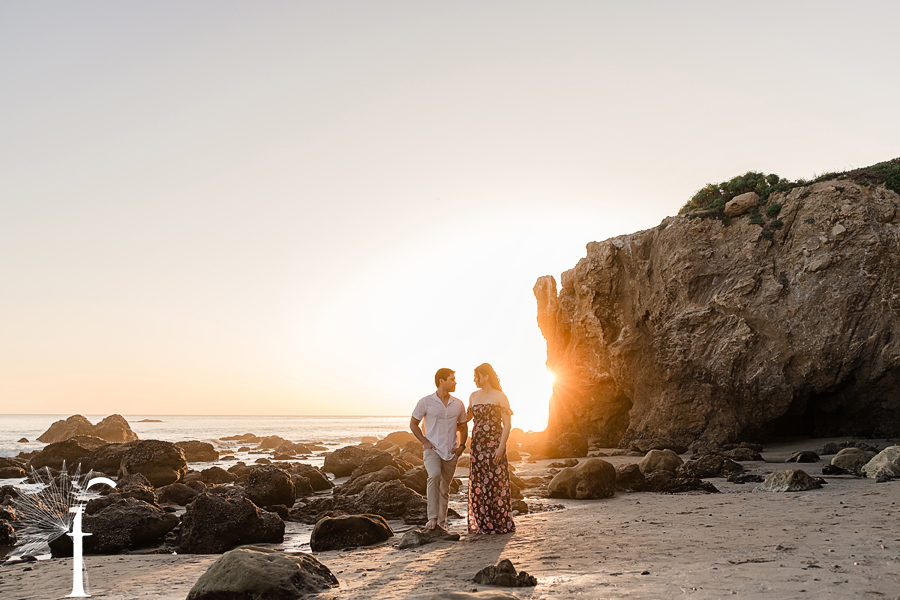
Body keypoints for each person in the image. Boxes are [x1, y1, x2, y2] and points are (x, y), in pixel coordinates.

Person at [410, 368, 468, 530]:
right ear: (442, 381)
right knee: (434, 475)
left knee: (445, 488)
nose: (455, 382)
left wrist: (462, 446)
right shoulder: (425, 402)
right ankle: (432, 517)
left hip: (451, 451)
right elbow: (413, 424)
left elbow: (464, 426)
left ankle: (441, 523)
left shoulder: (458, 404)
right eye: (452, 379)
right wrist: (424, 442)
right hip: (432, 449)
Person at [467, 362, 516, 534]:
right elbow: (465, 419)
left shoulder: (500, 396)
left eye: (476, 376)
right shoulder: (473, 396)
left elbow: (507, 424)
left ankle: (499, 522)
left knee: (497, 482)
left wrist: (501, 447)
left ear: (486, 376)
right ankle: (483, 523)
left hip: (495, 444)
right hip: (477, 446)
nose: (474, 380)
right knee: (479, 483)